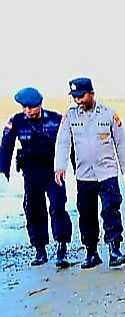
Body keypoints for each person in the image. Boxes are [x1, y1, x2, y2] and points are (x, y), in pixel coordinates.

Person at [54, 77, 125, 269]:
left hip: (107, 173)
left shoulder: (108, 115)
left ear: (92, 93)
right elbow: (63, 142)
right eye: (74, 97)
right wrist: (60, 166)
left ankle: (114, 250)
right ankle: (91, 252)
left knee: (111, 209)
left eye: (81, 96)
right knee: (86, 214)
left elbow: (121, 144)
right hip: (84, 175)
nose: (78, 101)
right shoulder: (70, 116)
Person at [1, 87, 73, 267]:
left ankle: (62, 247)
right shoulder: (16, 122)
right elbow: (6, 148)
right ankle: (40, 249)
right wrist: (3, 172)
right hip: (31, 173)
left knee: (58, 207)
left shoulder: (56, 120)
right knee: (34, 210)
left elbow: (68, 143)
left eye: (31, 107)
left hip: (53, 172)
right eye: (24, 107)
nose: (27, 111)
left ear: (40, 105)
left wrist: (75, 166)